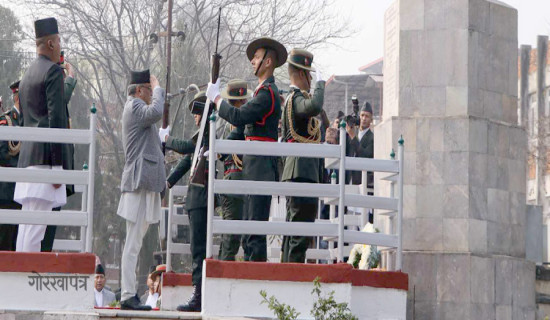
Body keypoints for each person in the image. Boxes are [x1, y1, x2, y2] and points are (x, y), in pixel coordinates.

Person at [206, 37, 287, 262]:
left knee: (254, 233)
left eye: (257, 57)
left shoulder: (267, 93)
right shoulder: (262, 92)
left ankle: (256, 281)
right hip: (254, 165)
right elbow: (241, 129)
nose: (252, 61)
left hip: (260, 165)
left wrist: (217, 100)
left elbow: (239, 116)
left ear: (268, 62)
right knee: (248, 232)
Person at [13, 18, 70, 252]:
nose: (59, 46)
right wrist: (58, 166)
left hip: (28, 158)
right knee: (36, 231)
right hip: (46, 159)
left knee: (27, 227)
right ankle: (28, 282)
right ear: (50, 43)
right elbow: (56, 120)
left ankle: (21, 279)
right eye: (58, 41)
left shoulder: (27, 75)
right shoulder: (53, 72)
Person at [117, 69, 166, 311]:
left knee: (135, 241)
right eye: (147, 88)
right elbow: (157, 111)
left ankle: (129, 293)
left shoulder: (137, 108)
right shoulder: (135, 107)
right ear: (139, 90)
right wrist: (158, 89)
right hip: (137, 184)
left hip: (144, 183)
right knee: (132, 243)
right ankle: (127, 295)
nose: (150, 92)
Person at [161, 91, 210, 312]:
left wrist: (166, 139)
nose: (195, 118)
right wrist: (168, 183)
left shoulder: (208, 133)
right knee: (196, 248)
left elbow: (185, 147)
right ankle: (199, 292)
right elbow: (187, 161)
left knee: (199, 249)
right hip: (195, 198)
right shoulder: (202, 135)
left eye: (198, 113)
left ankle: (199, 295)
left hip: (202, 197)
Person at [279, 49, 325, 263]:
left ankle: (288, 268)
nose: (311, 79)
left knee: (295, 226)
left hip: (300, 170)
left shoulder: (295, 99)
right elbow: (315, 106)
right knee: (299, 230)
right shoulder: (296, 99)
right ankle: (292, 272)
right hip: (301, 171)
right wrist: (320, 87)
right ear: (300, 74)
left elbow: (319, 120)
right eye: (309, 74)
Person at [42, 60, 78, 252]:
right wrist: (71, 78)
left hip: (56, 167)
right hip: (49, 165)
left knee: (50, 225)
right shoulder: (52, 97)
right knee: (42, 227)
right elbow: (61, 98)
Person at [217, 79, 249, 261]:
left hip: (232, 179)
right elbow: (222, 152)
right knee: (231, 234)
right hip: (233, 181)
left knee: (232, 232)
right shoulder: (236, 125)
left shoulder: (232, 125)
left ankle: (222, 267)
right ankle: (222, 269)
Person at [0, 81, 22, 251]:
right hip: (7, 192)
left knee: (18, 243)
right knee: (5, 243)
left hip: (23, 192)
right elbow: (3, 153)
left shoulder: (31, 121)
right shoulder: (5, 121)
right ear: (19, 97)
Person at [348, 102, 374, 186]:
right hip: (349, 179)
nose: (364, 118)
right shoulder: (352, 133)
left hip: (363, 182)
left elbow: (365, 155)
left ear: (371, 119)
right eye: (362, 115)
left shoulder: (372, 138)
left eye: (367, 116)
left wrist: (353, 137)